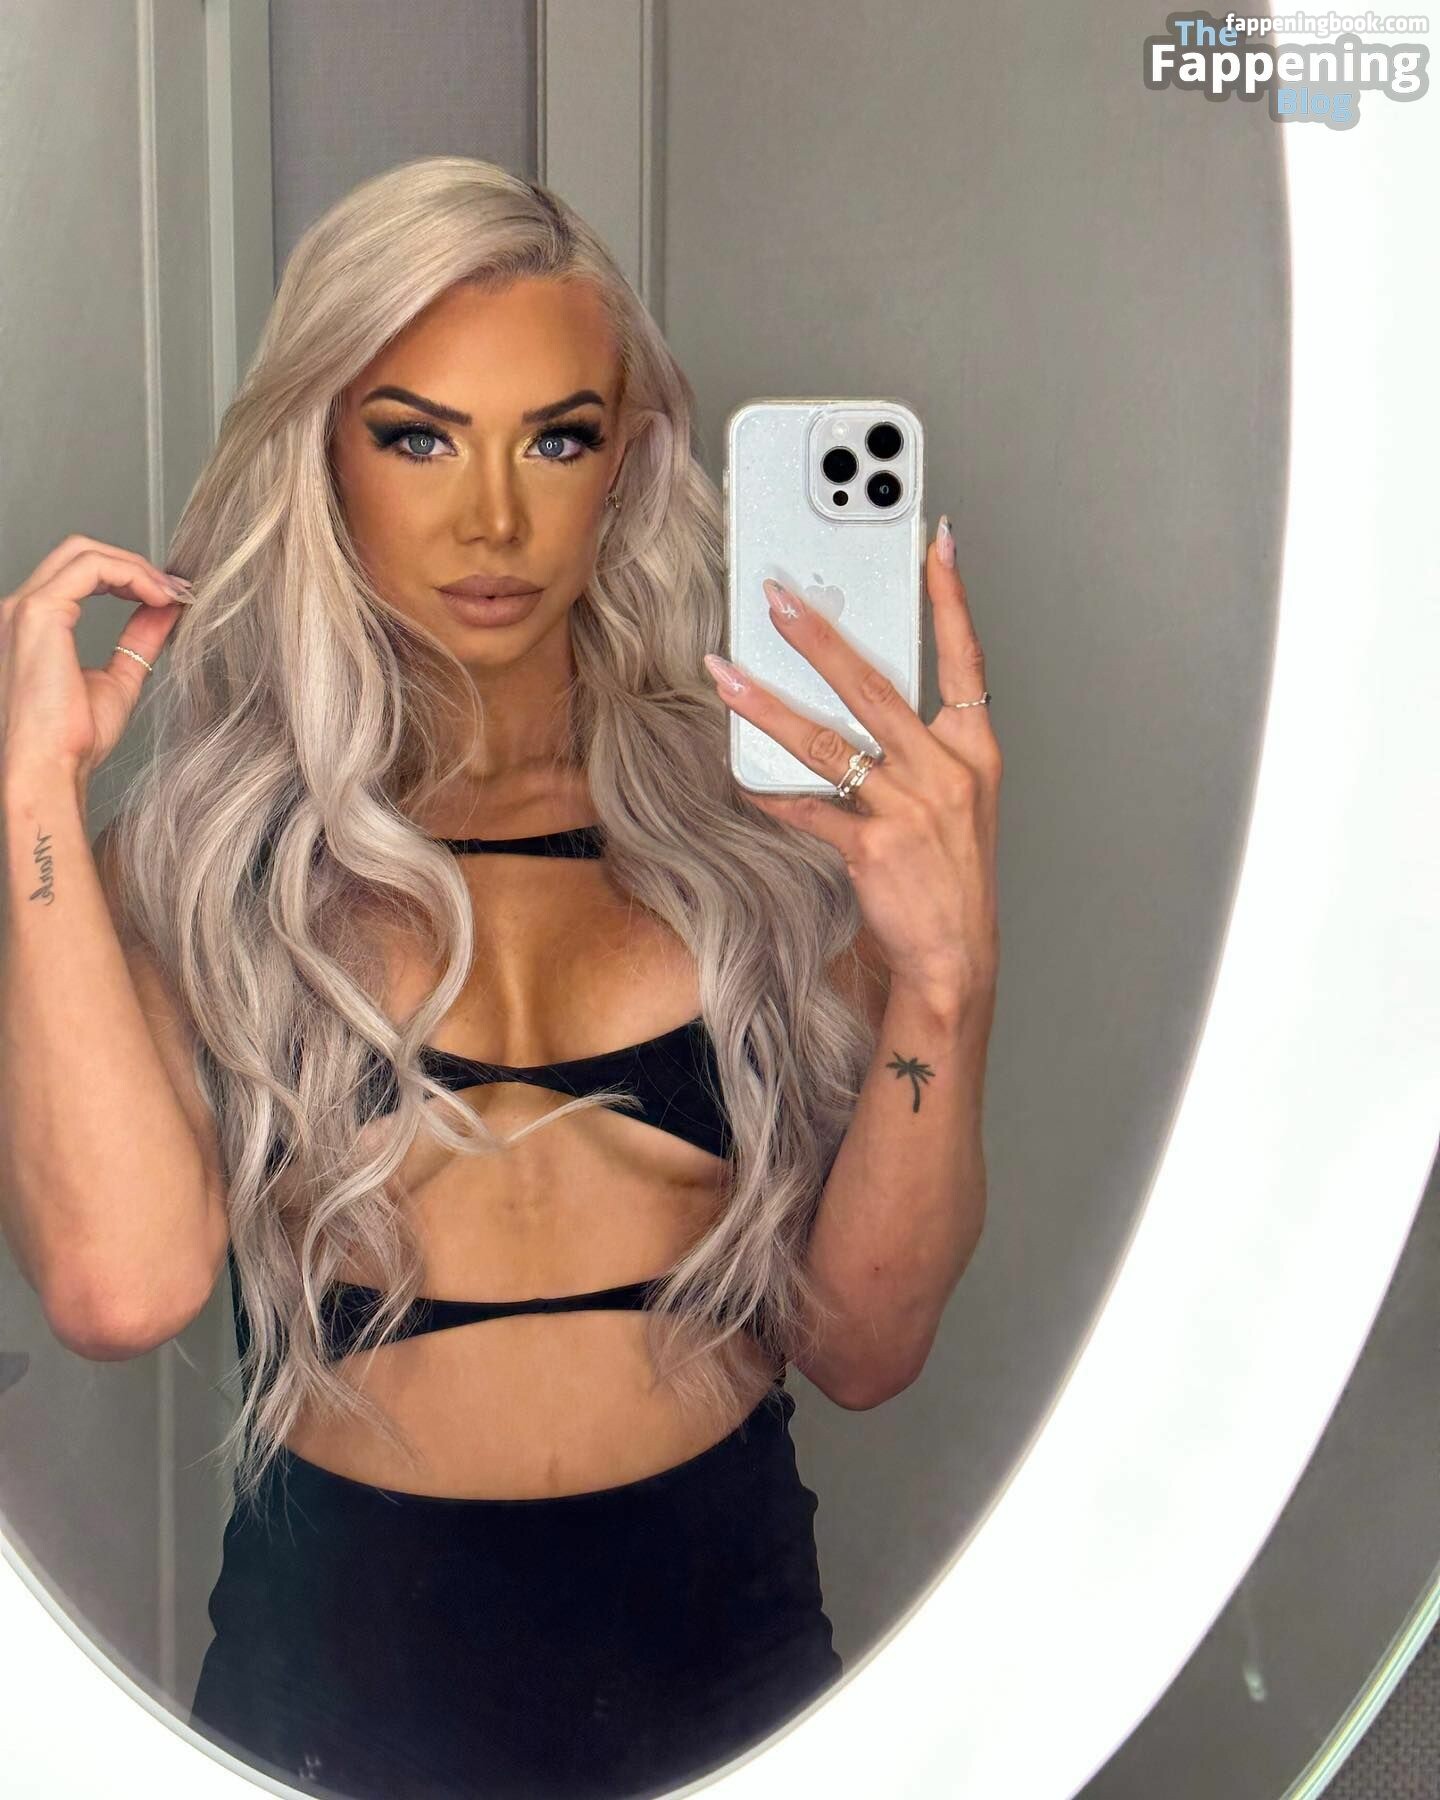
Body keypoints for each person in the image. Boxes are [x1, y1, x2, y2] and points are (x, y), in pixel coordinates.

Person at [0, 158, 999, 1800]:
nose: (494, 520)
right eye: (417, 437)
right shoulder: (208, 859)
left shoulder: (765, 832)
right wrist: (35, 800)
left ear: (628, 462)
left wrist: (942, 979)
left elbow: (866, 1345)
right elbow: (117, 1288)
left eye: (556, 438)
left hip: (730, 1659)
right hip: (336, 1692)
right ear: (324, 454)